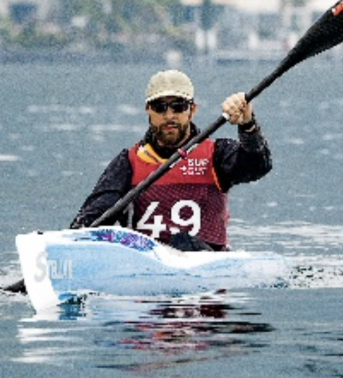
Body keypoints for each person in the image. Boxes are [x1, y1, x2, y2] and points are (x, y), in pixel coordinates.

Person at [70, 69, 272, 250]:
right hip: (146, 269)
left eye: (178, 106)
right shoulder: (128, 163)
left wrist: (248, 124)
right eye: (160, 107)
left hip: (205, 268)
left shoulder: (217, 154)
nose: (169, 116)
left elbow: (258, 166)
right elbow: (90, 220)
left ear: (192, 110)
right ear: (148, 110)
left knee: (182, 242)